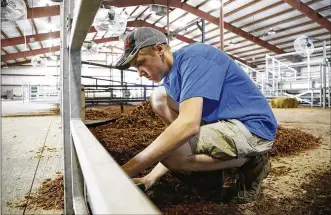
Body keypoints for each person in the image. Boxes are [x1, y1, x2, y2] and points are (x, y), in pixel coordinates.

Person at [113, 27, 278, 203]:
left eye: (140, 63)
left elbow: (188, 125)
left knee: (171, 154)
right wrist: (149, 177)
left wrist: (126, 170)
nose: (139, 73)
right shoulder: (170, 80)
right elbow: (178, 137)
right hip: (223, 124)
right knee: (159, 97)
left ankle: (252, 162)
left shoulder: (195, 57)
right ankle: (210, 166)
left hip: (252, 128)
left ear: (159, 49)